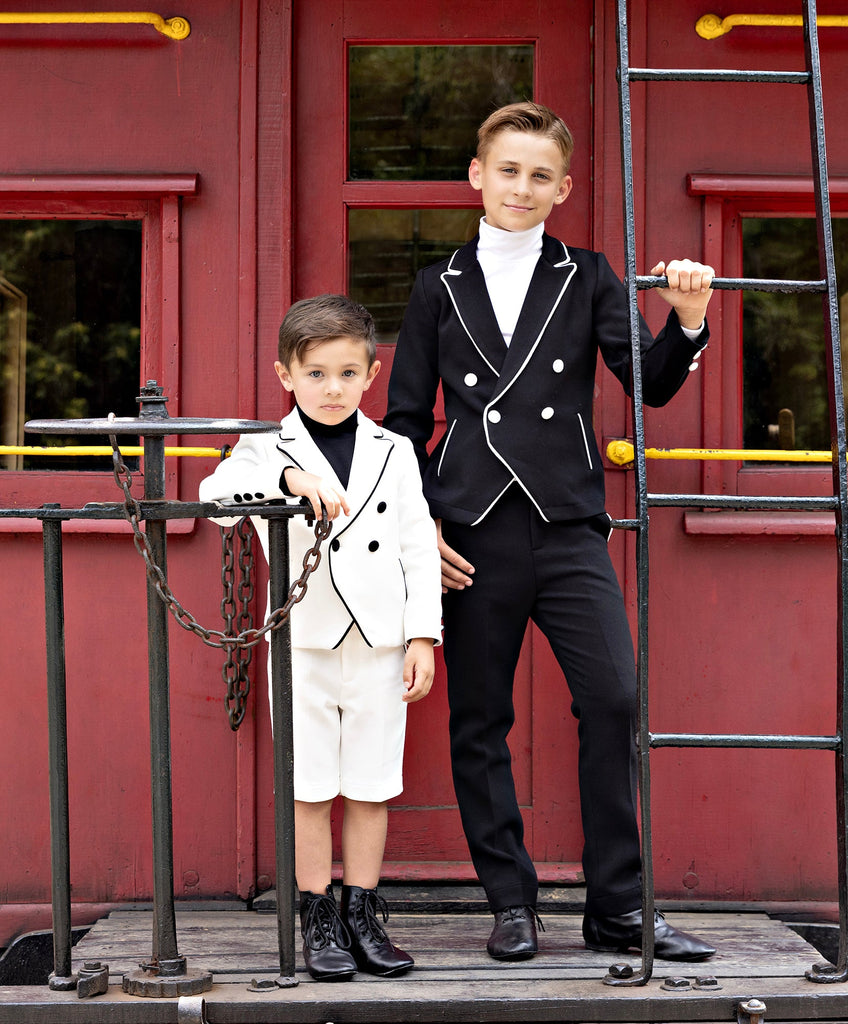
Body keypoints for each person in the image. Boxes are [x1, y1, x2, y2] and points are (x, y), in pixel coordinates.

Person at [384, 101, 716, 962]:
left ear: (562, 188)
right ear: (477, 177)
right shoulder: (436, 285)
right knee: (479, 720)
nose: (522, 187)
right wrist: (424, 532)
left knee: (613, 699)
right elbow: (404, 422)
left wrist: (686, 320)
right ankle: (511, 902)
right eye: (508, 171)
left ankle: (618, 908)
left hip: (568, 525)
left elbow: (647, 385)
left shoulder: (589, 274)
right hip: (472, 535)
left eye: (540, 176)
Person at [200, 294, 442, 980]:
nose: (331, 389)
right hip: (302, 643)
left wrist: (423, 635)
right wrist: (287, 475)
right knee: (309, 786)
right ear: (286, 374)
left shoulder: (393, 449)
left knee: (370, 784)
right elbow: (218, 499)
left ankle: (362, 911)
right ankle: (317, 912)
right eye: (315, 374)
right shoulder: (262, 447)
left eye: (346, 373)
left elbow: (418, 545)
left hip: (382, 642)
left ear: (370, 376)